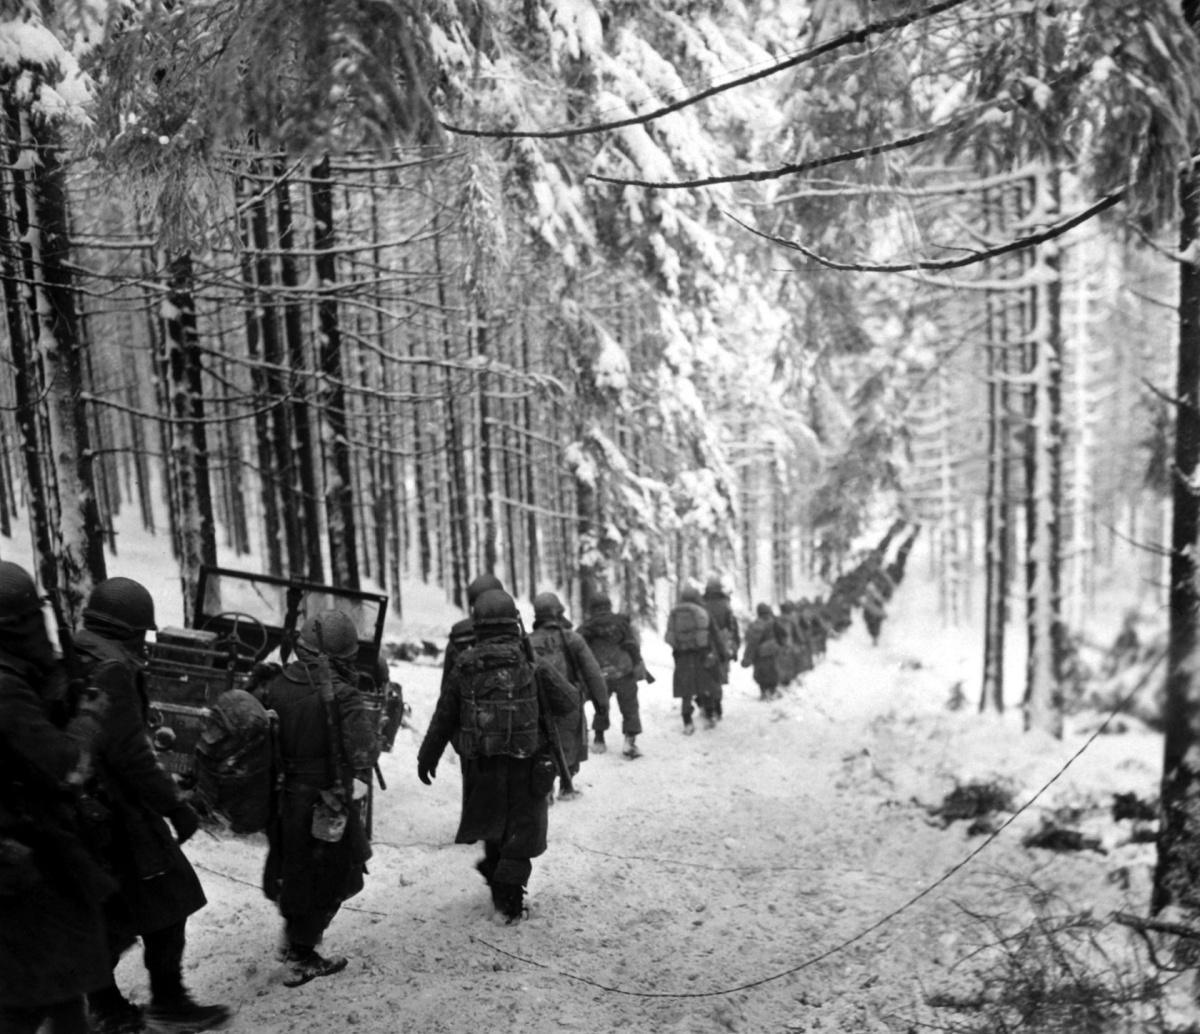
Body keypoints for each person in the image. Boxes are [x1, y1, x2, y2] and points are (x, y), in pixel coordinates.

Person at [73, 577, 228, 1034]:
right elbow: (130, 754)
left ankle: (105, 1004)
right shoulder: (112, 668)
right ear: (129, 630)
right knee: (171, 897)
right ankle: (167, 1001)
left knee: (110, 911)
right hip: (120, 810)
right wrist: (174, 806)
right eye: (141, 632)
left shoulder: (75, 654)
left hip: (87, 809)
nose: (143, 642)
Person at [0, 562, 114, 1034]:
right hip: (22, 859)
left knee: (62, 992)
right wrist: (88, 716)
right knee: (29, 998)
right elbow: (65, 763)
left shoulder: (15, 678)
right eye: (31, 620)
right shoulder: (5, 689)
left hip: (31, 853)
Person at [416, 589, 576, 922]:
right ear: (513, 622)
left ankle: (496, 874)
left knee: (492, 828)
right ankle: (510, 904)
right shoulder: (530, 665)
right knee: (520, 832)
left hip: (482, 766)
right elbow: (569, 701)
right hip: (527, 764)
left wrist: (427, 756)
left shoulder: (464, 665)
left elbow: (444, 715)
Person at [256, 610, 378, 987]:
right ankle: (301, 953)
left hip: (282, 798)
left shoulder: (274, 684)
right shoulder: (343, 694)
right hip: (325, 800)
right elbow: (364, 754)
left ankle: (296, 938)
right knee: (338, 874)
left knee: (296, 870)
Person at [528, 592, 608, 799]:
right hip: (569, 701)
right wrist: (602, 704)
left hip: (537, 704)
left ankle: (546, 786)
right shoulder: (572, 638)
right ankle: (566, 783)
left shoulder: (527, 642)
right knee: (571, 742)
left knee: (542, 743)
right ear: (558, 612)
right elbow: (593, 673)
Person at [577, 592, 650, 759]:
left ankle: (599, 739)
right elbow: (632, 644)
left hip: (599, 673)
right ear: (609, 605)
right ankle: (629, 742)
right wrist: (637, 662)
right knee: (630, 706)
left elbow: (578, 650)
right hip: (623, 671)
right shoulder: (621, 622)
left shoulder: (586, 626)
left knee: (601, 705)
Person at [664, 585, 726, 734]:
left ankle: (687, 721)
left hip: (681, 655)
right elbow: (715, 635)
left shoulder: (674, 613)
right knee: (706, 685)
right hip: (702, 653)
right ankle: (710, 715)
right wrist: (722, 653)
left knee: (686, 689)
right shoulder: (703, 613)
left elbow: (669, 636)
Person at [701, 576, 739, 720]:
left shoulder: (702, 603)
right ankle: (717, 706)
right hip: (722, 644)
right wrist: (733, 646)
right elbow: (732, 626)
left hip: (705, 645)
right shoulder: (725, 604)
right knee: (719, 676)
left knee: (706, 676)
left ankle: (707, 706)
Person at [741, 603, 785, 701]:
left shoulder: (754, 624)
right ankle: (772, 691)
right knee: (773, 671)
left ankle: (764, 692)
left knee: (760, 673)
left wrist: (747, 658)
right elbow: (782, 634)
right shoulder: (774, 622)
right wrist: (780, 645)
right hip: (772, 652)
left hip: (759, 654)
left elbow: (750, 642)